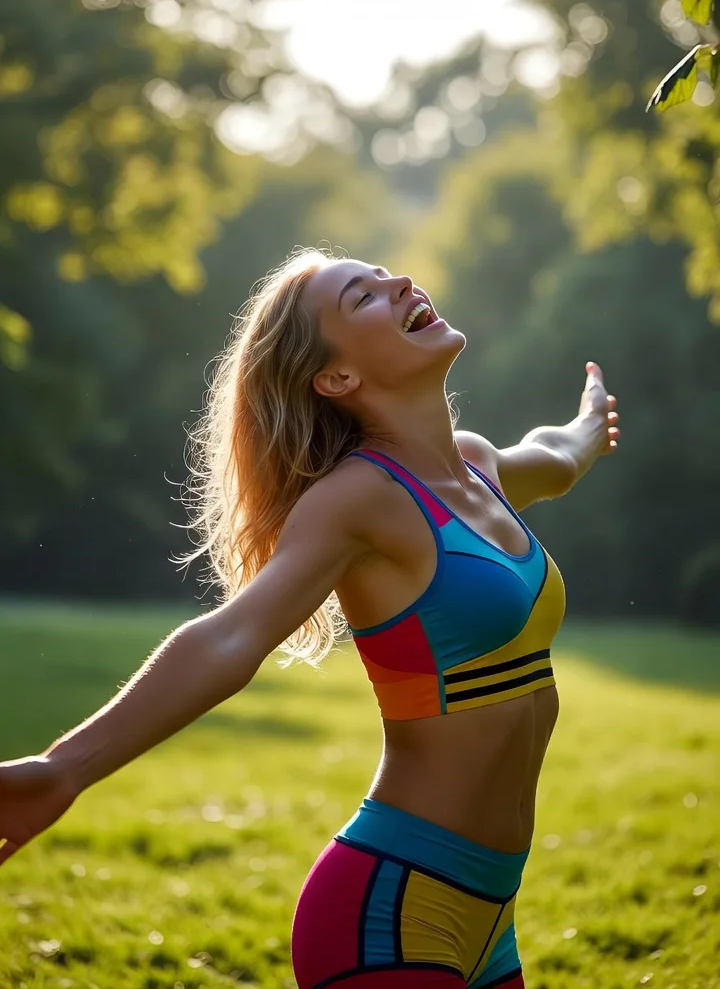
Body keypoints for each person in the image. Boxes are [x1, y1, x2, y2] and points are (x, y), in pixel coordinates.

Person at [0, 245, 620, 988]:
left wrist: (586, 426)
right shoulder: (356, 500)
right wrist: (62, 770)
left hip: (490, 914)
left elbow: (550, 457)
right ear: (337, 378)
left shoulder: (476, 465)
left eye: (386, 273)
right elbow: (232, 634)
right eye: (361, 296)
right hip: (390, 911)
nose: (397, 281)